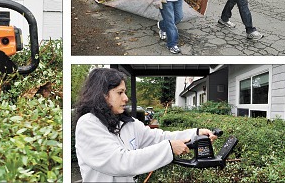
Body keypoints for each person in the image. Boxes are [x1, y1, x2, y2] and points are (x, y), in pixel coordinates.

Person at [74, 68, 218, 182]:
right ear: (102, 94)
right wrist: (169, 148)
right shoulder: (88, 125)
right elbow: (120, 162)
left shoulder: (126, 123)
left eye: (125, 92)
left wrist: (195, 133)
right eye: (120, 92)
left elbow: (159, 137)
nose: (126, 98)